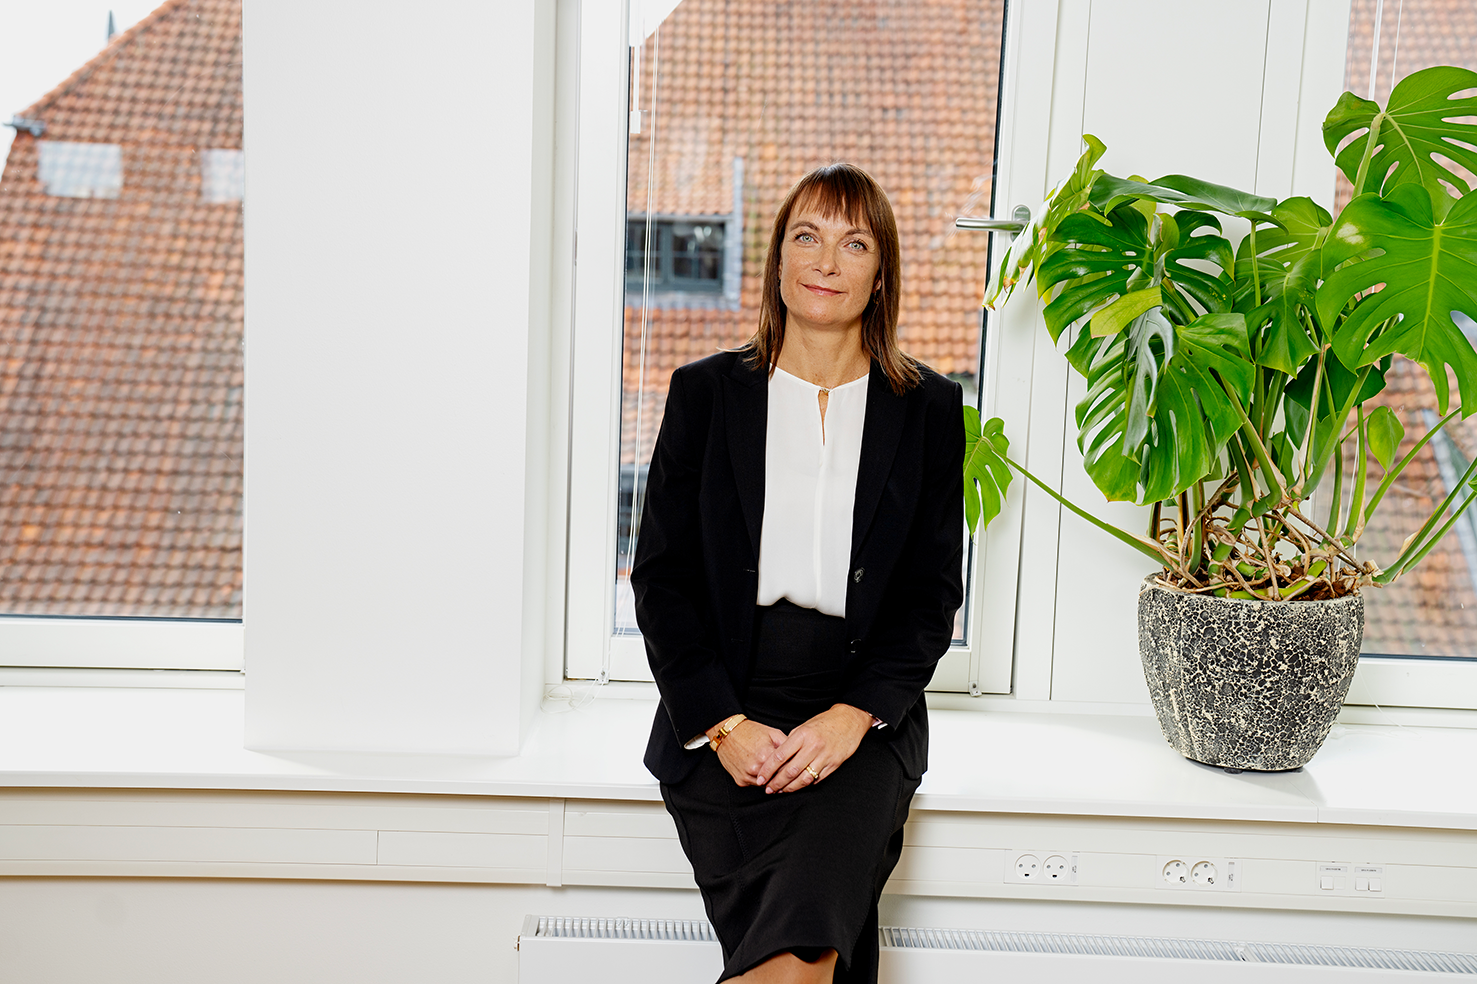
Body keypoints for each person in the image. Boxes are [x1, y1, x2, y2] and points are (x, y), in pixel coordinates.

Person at [631, 162, 965, 984]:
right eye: (805, 236)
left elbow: (928, 597)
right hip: (727, 716)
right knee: (803, 959)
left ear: (880, 273)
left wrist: (852, 718)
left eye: (854, 243)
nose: (825, 260)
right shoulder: (704, 394)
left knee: (800, 955)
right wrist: (722, 727)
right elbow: (662, 581)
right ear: (776, 258)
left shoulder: (926, 408)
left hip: (858, 723)